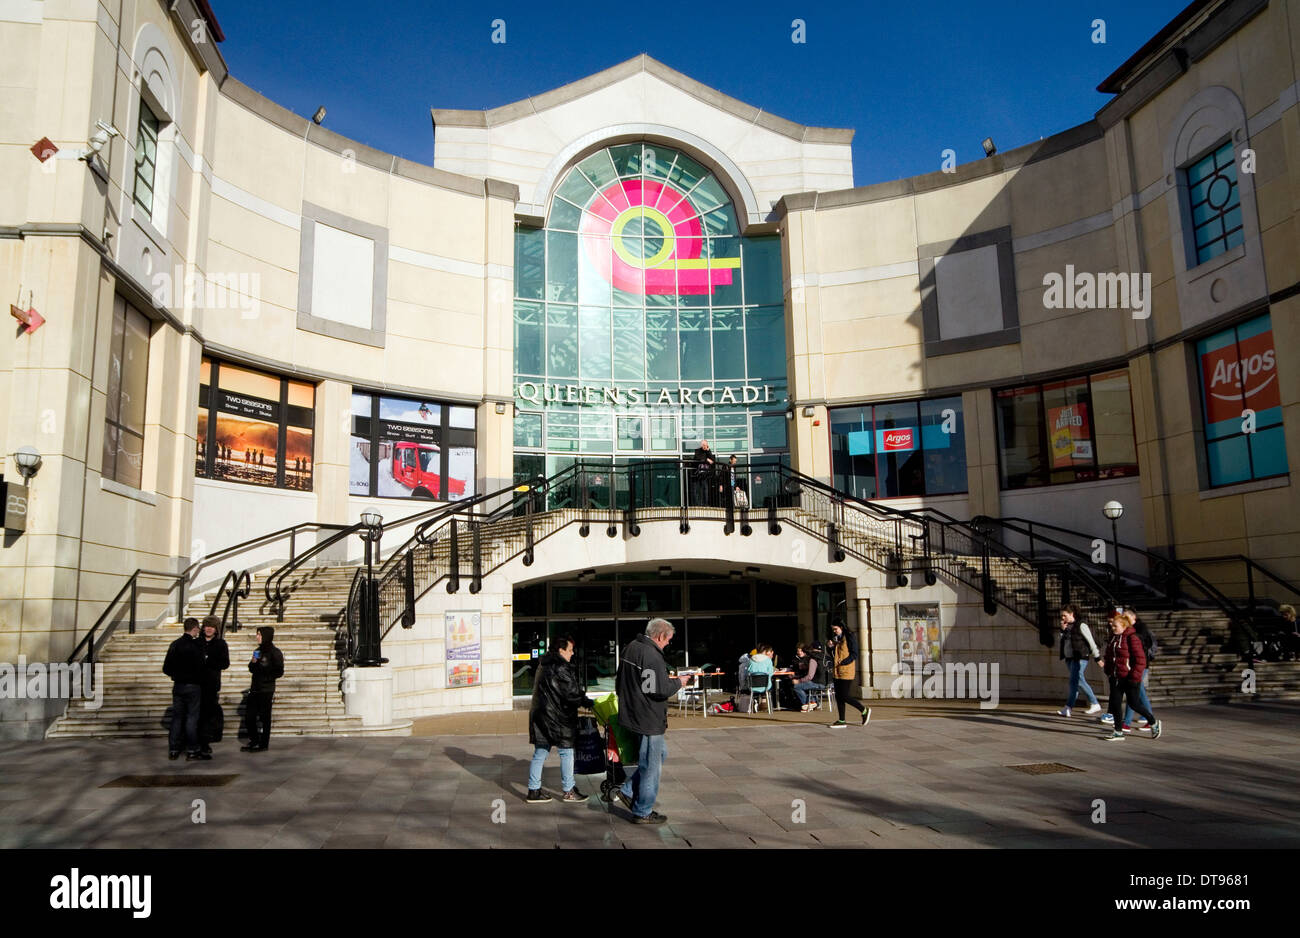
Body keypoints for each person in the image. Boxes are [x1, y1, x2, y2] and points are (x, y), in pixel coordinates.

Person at [614, 618, 691, 824]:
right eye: (669, 640)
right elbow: (655, 690)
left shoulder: (632, 647)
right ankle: (643, 810)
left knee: (659, 755)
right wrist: (678, 683)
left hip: (634, 712)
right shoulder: (651, 656)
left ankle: (629, 790)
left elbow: (619, 681)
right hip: (647, 717)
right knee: (651, 766)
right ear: (660, 636)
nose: (668, 644)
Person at [526, 635, 592, 804]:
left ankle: (534, 790)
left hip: (540, 715)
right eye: (570, 650)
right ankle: (569, 790)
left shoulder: (544, 663)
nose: (572, 653)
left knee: (540, 752)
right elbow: (571, 694)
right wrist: (587, 702)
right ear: (561, 650)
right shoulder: (561, 667)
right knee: (567, 751)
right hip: (557, 717)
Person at [1101, 609, 1161, 741]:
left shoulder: (1132, 638)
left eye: (1115, 626)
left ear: (1123, 626)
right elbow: (1109, 655)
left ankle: (1153, 722)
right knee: (1115, 703)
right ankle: (1118, 731)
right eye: (1112, 625)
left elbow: (1140, 660)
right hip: (1116, 677)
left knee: (1134, 704)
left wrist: (1134, 677)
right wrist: (1109, 670)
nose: (1112, 628)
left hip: (1129, 677)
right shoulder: (1113, 638)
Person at [162, 617, 206, 760]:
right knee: (192, 718)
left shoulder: (175, 645)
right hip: (193, 685)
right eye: (197, 629)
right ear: (194, 629)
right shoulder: (196, 646)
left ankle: (174, 749)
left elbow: (166, 668)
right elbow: (202, 666)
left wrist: (176, 674)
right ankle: (192, 749)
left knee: (177, 718)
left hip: (178, 685)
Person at [241, 626, 284, 752]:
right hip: (255, 688)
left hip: (266, 689)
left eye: (259, 634)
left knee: (265, 717)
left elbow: (279, 671)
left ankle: (263, 743)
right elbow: (251, 668)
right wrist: (253, 662)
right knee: (250, 716)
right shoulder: (257, 651)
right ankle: (254, 740)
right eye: (257, 634)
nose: (257, 637)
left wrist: (266, 676)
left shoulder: (275, 652)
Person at [1056, 603, 1103, 717]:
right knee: (1074, 683)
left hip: (1080, 657)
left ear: (1071, 614)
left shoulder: (1081, 625)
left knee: (1078, 679)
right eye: (1061, 616)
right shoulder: (1066, 627)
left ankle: (1094, 702)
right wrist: (1063, 631)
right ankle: (1068, 708)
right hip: (1069, 658)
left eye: (1064, 615)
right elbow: (1062, 641)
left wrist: (1097, 657)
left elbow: (1091, 641)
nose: (1062, 618)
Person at [198, 614, 230, 755]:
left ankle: (205, 741)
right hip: (196, 684)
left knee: (207, 713)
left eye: (212, 626)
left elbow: (225, 663)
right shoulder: (197, 643)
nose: (209, 629)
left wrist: (209, 661)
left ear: (216, 629)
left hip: (211, 684)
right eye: (207, 626)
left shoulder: (220, 644)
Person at [828, 622, 871, 727]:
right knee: (839, 696)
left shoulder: (849, 637)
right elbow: (834, 655)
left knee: (844, 695)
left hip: (846, 671)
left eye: (836, 629)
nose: (834, 631)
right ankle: (841, 720)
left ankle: (864, 710)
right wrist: (830, 647)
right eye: (833, 629)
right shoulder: (837, 639)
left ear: (841, 627)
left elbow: (854, 654)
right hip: (837, 671)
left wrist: (844, 662)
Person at [1123, 609, 1157, 733]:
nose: (1124, 620)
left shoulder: (1139, 631)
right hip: (1137, 666)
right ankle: (1149, 718)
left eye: (1126, 617)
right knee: (1139, 693)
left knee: (1134, 694)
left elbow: (1141, 651)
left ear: (1133, 617)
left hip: (1140, 666)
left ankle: (1127, 723)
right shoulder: (1131, 630)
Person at [791, 643, 824, 711]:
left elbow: (809, 676)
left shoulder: (813, 659)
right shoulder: (824, 658)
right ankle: (813, 702)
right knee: (806, 684)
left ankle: (807, 704)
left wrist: (798, 681)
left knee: (796, 686)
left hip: (817, 682)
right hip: (827, 683)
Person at [691, 439, 717, 507]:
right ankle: (697, 504)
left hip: (705, 473)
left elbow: (713, 460)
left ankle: (705, 504)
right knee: (696, 489)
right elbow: (698, 458)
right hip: (697, 473)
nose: (704, 446)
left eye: (705, 445)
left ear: (707, 445)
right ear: (701, 445)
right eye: (703, 445)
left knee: (705, 488)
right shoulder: (697, 450)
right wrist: (706, 459)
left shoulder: (708, 451)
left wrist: (708, 451)